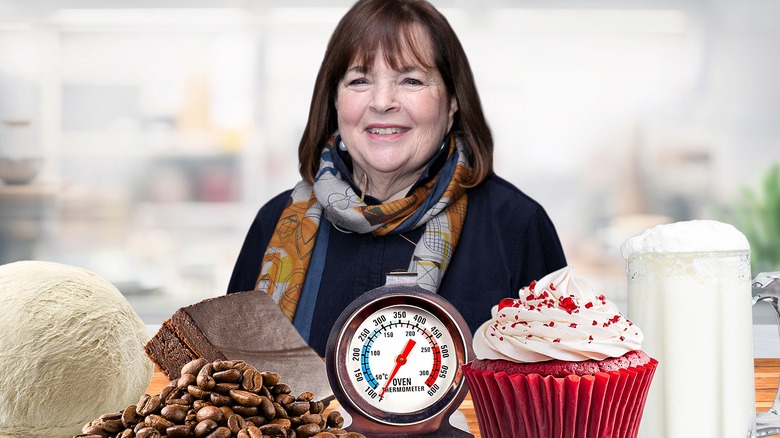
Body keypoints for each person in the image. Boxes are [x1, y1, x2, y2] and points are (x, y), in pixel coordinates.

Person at [227, 0, 567, 357]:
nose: (383, 101)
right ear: (335, 102)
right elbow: (220, 386)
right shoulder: (276, 223)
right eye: (359, 79)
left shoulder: (516, 227)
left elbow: (563, 394)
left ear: (452, 102)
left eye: (410, 80)